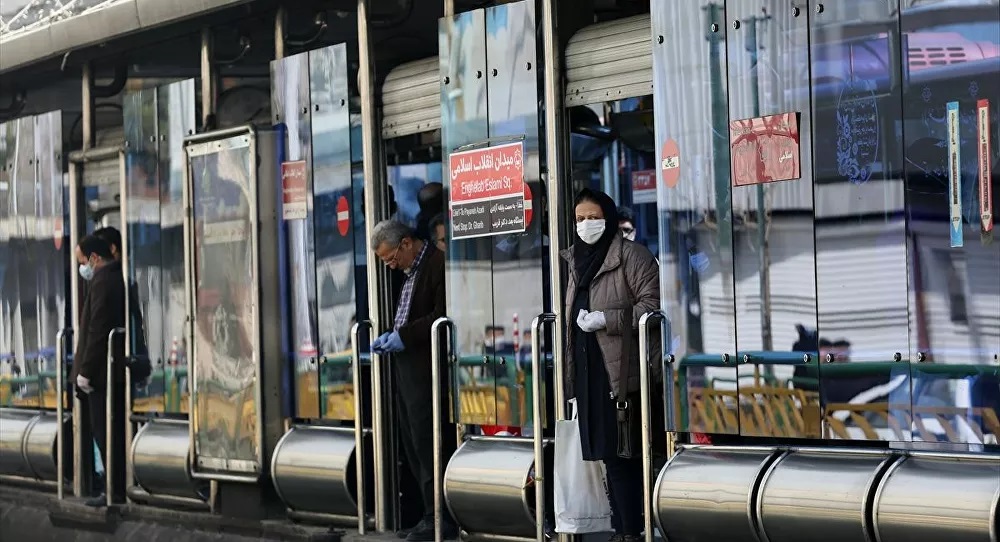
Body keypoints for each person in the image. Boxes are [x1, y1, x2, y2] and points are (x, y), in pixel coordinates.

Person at [562, 189, 661, 542]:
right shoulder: (576, 261)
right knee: (607, 457)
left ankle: (631, 531)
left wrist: (608, 318)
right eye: (580, 219)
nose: (587, 225)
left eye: (593, 217)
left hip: (624, 376)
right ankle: (622, 529)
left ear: (609, 218)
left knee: (624, 458)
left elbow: (653, 306)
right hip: (590, 374)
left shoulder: (632, 256)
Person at [369, 220, 457, 541]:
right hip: (407, 368)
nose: (391, 266)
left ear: (407, 243)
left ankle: (439, 516)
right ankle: (425, 513)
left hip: (427, 369)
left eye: (391, 258)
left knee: (429, 441)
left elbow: (441, 315)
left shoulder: (436, 265)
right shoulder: (409, 273)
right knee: (413, 445)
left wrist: (403, 336)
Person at [71, 235, 127, 507]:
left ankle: (112, 490)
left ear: (94, 258)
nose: (82, 269)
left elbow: (97, 330)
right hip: (108, 371)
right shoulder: (114, 277)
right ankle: (113, 488)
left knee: (104, 432)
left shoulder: (103, 281)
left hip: (101, 374)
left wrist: (86, 370)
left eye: (82, 262)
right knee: (107, 431)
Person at [93, 226, 151, 385]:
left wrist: (141, 357)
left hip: (119, 364)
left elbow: (135, 323)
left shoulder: (121, 283)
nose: (94, 259)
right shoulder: (102, 281)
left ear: (112, 249)